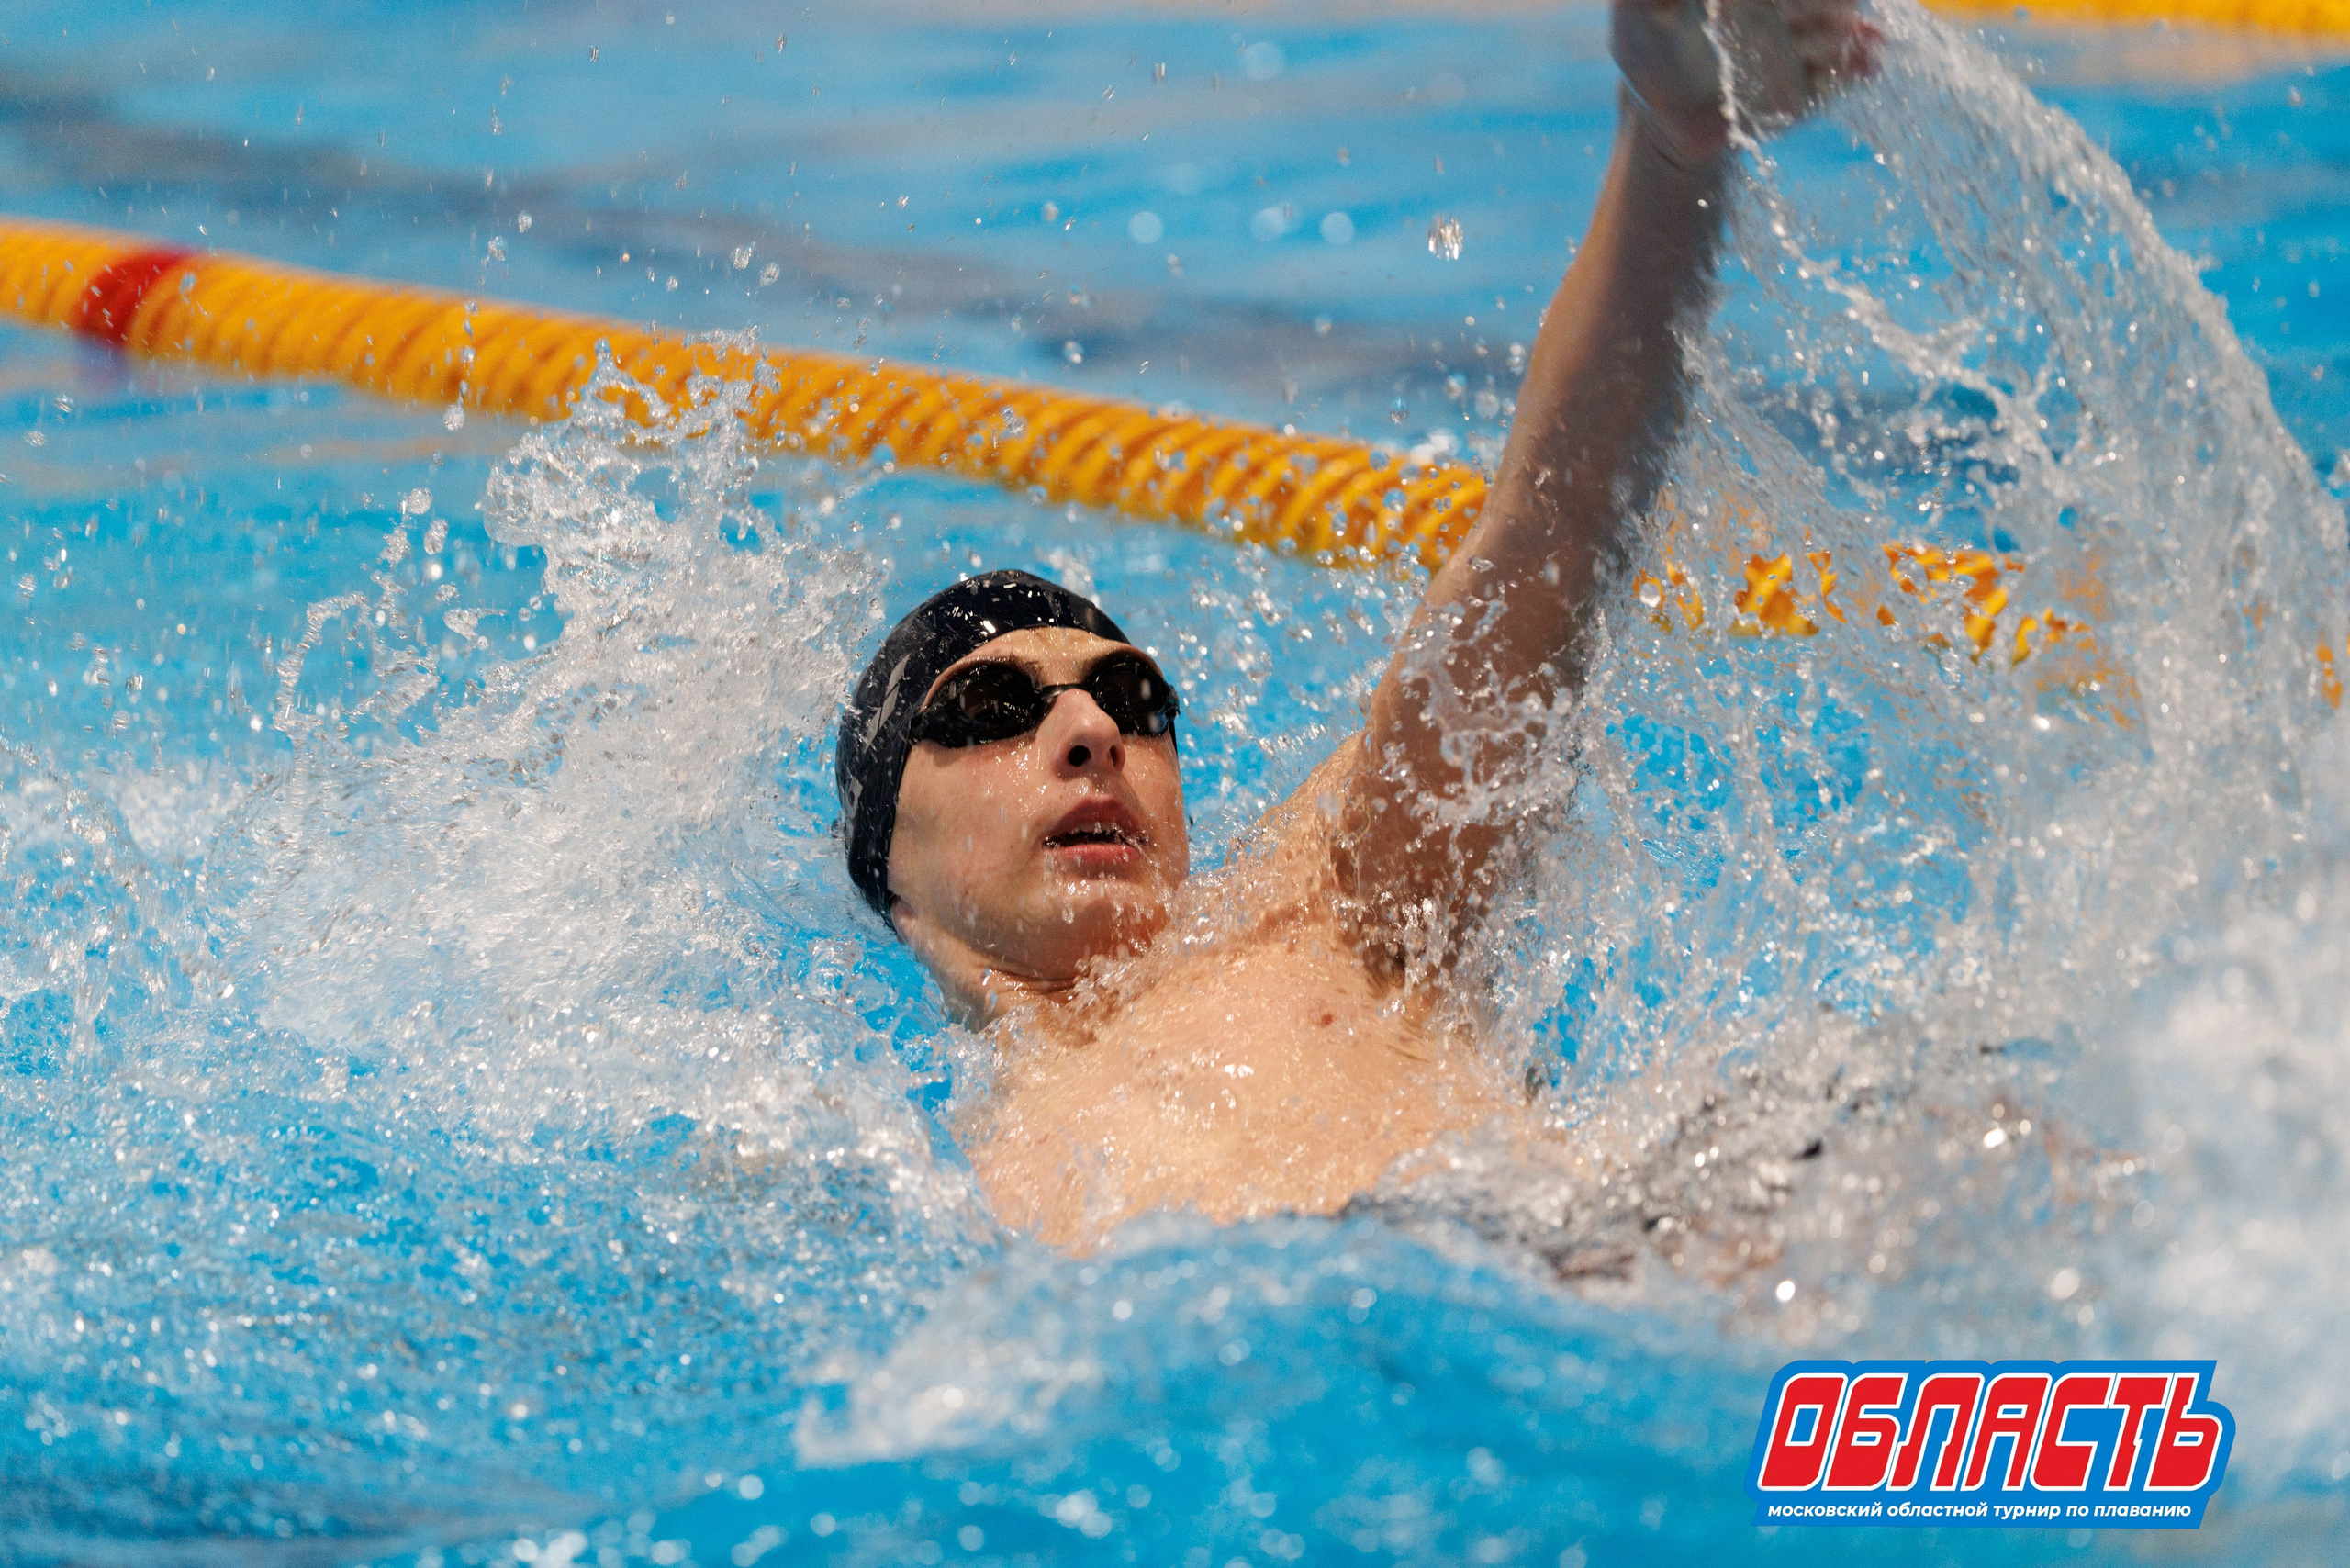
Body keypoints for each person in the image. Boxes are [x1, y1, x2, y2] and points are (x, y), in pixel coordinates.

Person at [834, 0, 1874, 1248]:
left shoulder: (1325, 909)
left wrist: (1670, 145)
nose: (1088, 734)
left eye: (1134, 702)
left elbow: (1546, 540)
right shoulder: (879, 1175)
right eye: (993, 711)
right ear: (884, 848)